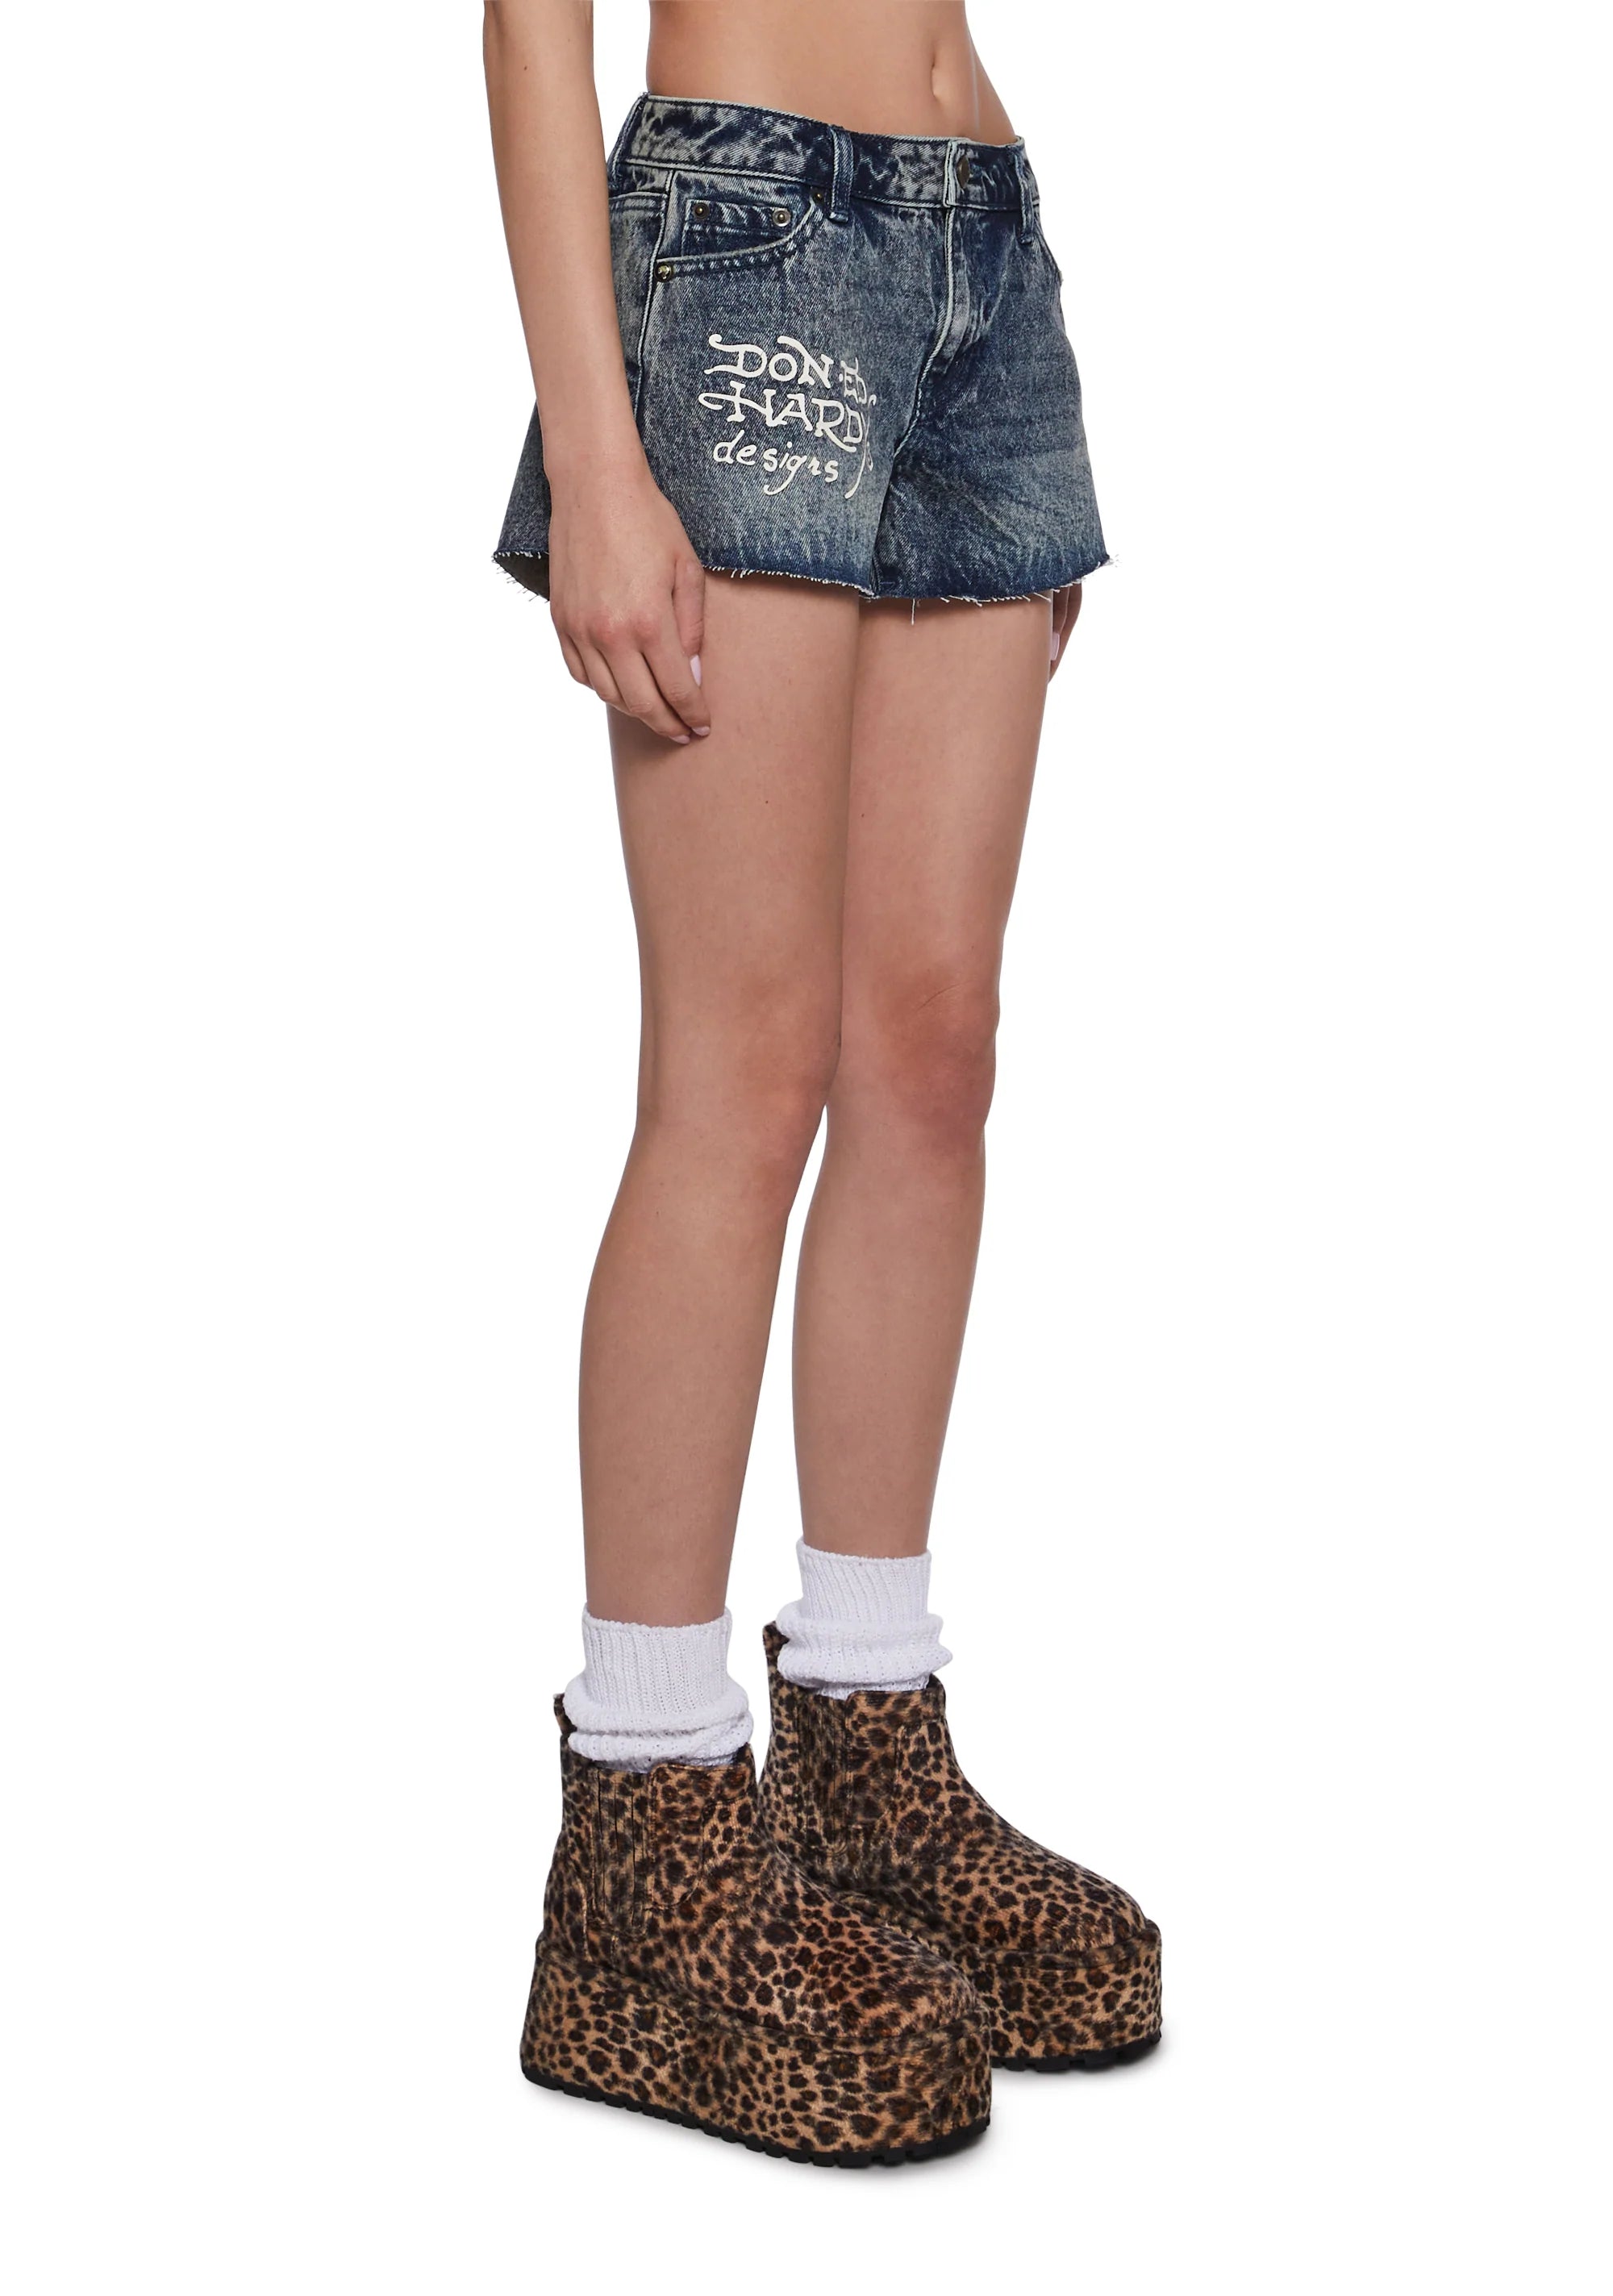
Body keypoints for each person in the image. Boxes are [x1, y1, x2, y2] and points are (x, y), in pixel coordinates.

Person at [484, 0, 1161, 2165]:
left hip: (983, 245)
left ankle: (865, 1748)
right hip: (754, 238)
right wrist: (595, 448)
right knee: (742, 1069)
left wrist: (997, 290)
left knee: (929, 1054)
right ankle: (649, 1822)